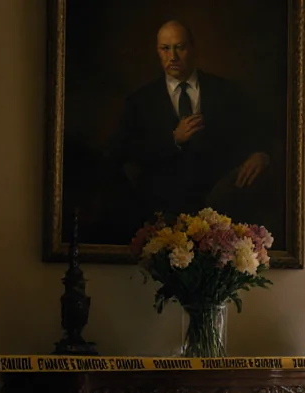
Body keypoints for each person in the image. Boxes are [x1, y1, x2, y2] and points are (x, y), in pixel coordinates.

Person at [105, 20, 275, 233]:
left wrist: (261, 154)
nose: (173, 57)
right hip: (162, 216)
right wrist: (173, 140)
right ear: (157, 51)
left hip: (223, 215)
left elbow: (254, 132)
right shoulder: (140, 101)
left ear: (193, 48)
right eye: (165, 49)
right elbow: (121, 153)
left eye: (180, 47)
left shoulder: (225, 91)